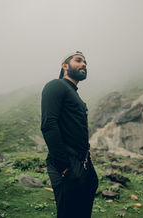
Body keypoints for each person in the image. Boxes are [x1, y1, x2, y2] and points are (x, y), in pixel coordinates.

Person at [41, 51, 98, 218]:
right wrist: (64, 167)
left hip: (83, 163)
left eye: (85, 62)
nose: (84, 65)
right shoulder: (56, 86)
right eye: (78, 60)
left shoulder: (74, 94)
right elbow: (48, 125)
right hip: (67, 163)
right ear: (64, 66)